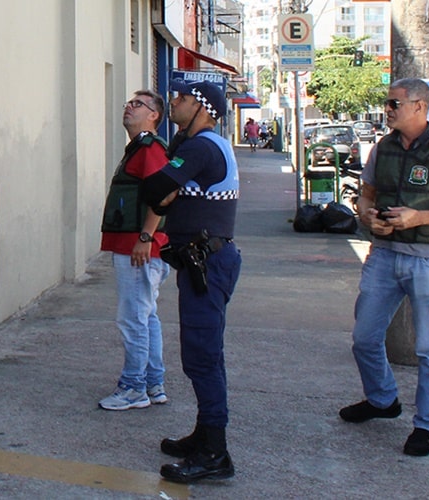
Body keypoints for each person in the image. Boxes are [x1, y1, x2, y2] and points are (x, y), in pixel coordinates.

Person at [338, 78, 429, 457]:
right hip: (384, 253)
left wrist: (417, 217)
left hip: (428, 259)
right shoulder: (381, 148)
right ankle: (382, 399)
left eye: (394, 103)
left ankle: (426, 425)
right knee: (365, 337)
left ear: (420, 106)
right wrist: (370, 218)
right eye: (387, 103)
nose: (388, 110)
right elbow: (366, 197)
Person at [141, 80, 242, 483]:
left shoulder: (202, 147)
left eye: (182, 99)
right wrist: (168, 194)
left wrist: (169, 193)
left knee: (202, 356)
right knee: (203, 353)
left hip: (208, 264)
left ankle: (215, 452)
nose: (175, 103)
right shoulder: (198, 146)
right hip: (204, 261)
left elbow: (154, 189)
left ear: (204, 109)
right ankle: (204, 434)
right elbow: (158, 196)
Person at [98, 90, 171, 411]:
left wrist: (146, 237)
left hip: (138, 250)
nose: (128, 107)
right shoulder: (139, 149)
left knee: (133, 320)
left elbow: (165, 193)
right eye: (128, 102)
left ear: (154, 115)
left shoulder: (150, 148)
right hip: (139, 247)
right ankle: (153, 383)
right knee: (146, 317)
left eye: (138, 104)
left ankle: (133, 388)